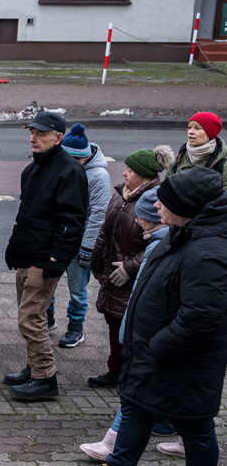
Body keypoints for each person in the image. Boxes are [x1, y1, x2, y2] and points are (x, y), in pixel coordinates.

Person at [107, 167, 227, 466]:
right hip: (152, 362)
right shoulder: (181, 235)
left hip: (179, 367)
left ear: (186, 207)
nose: (156, 205)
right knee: (136, 417)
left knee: (196, 431)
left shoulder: (207, 252)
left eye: (164, 200)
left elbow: (200, 317)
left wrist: (156, 347)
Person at [80, 189, 178, 460]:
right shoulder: (159, 242)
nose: (138, 221)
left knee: (136, 395)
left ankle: (114, 446)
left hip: (152, 336)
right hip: (148, 334)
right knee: (168, 396)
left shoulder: (162, 246)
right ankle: (184, 437)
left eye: (143, 217)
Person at [2, 111, 88, 401]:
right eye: (32, 132)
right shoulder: (34, 169)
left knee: (31, 318)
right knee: (29, 317)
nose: (33, 138)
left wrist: (55, 261)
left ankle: (45, 378)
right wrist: (14, 247)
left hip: (45, 259)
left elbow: (72, 223)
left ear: (58, 137)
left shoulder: (69, 172)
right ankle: (33, 367)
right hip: (27, 254)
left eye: (40, 134)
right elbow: (26, 215)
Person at [86, 146, 169, 388]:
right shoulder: (121, 194)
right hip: (112, 274)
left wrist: (130, 267)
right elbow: (105, 230)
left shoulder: (154, 199)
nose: (124, 174)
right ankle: (115, 370)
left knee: (130, 326)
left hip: (131, 277)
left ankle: (131, 376)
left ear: (144, 176)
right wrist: (96, 261)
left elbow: (159, 240)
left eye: (130, 171)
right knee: (113, 321)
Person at [43, 123, 110, 348]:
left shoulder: (99, 176)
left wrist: (88, 248)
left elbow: (98, 215)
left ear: (84, 157)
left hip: (79, 243)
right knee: (46, 281)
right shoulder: (62, 166)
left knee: (78, 289)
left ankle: (75, 328)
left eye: (74, 160)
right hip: (57, 239)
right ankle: (47, 319)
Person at [168, 112, 226, 189]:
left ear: (209, 133)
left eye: (197, 128)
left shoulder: (223, 164)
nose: (190, 132)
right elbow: (166, 186)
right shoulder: (180, 156)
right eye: (189, 127)